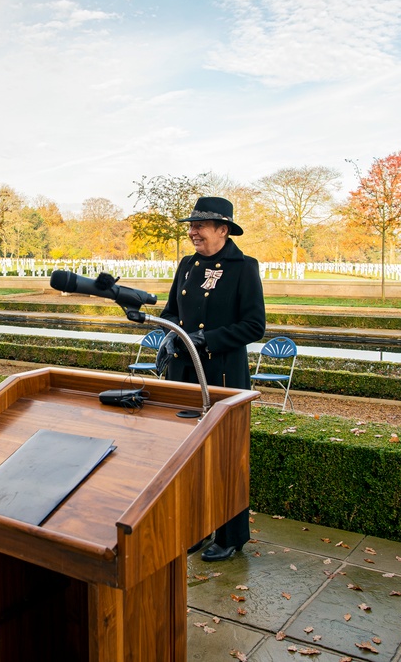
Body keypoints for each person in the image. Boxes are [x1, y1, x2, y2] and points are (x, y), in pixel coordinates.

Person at [157, 196, 266, 562]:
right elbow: (172, 310)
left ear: (223, 229)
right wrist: (169, 335)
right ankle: (199, 527)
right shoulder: (186, 265)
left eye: (200, 226)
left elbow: (255, 325)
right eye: (191, 226)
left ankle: (231, 535)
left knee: (225, 456)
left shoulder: (243, 267)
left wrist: (209, 339)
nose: (193, 232)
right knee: (187, 456)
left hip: (221, 374)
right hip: (184, 373)